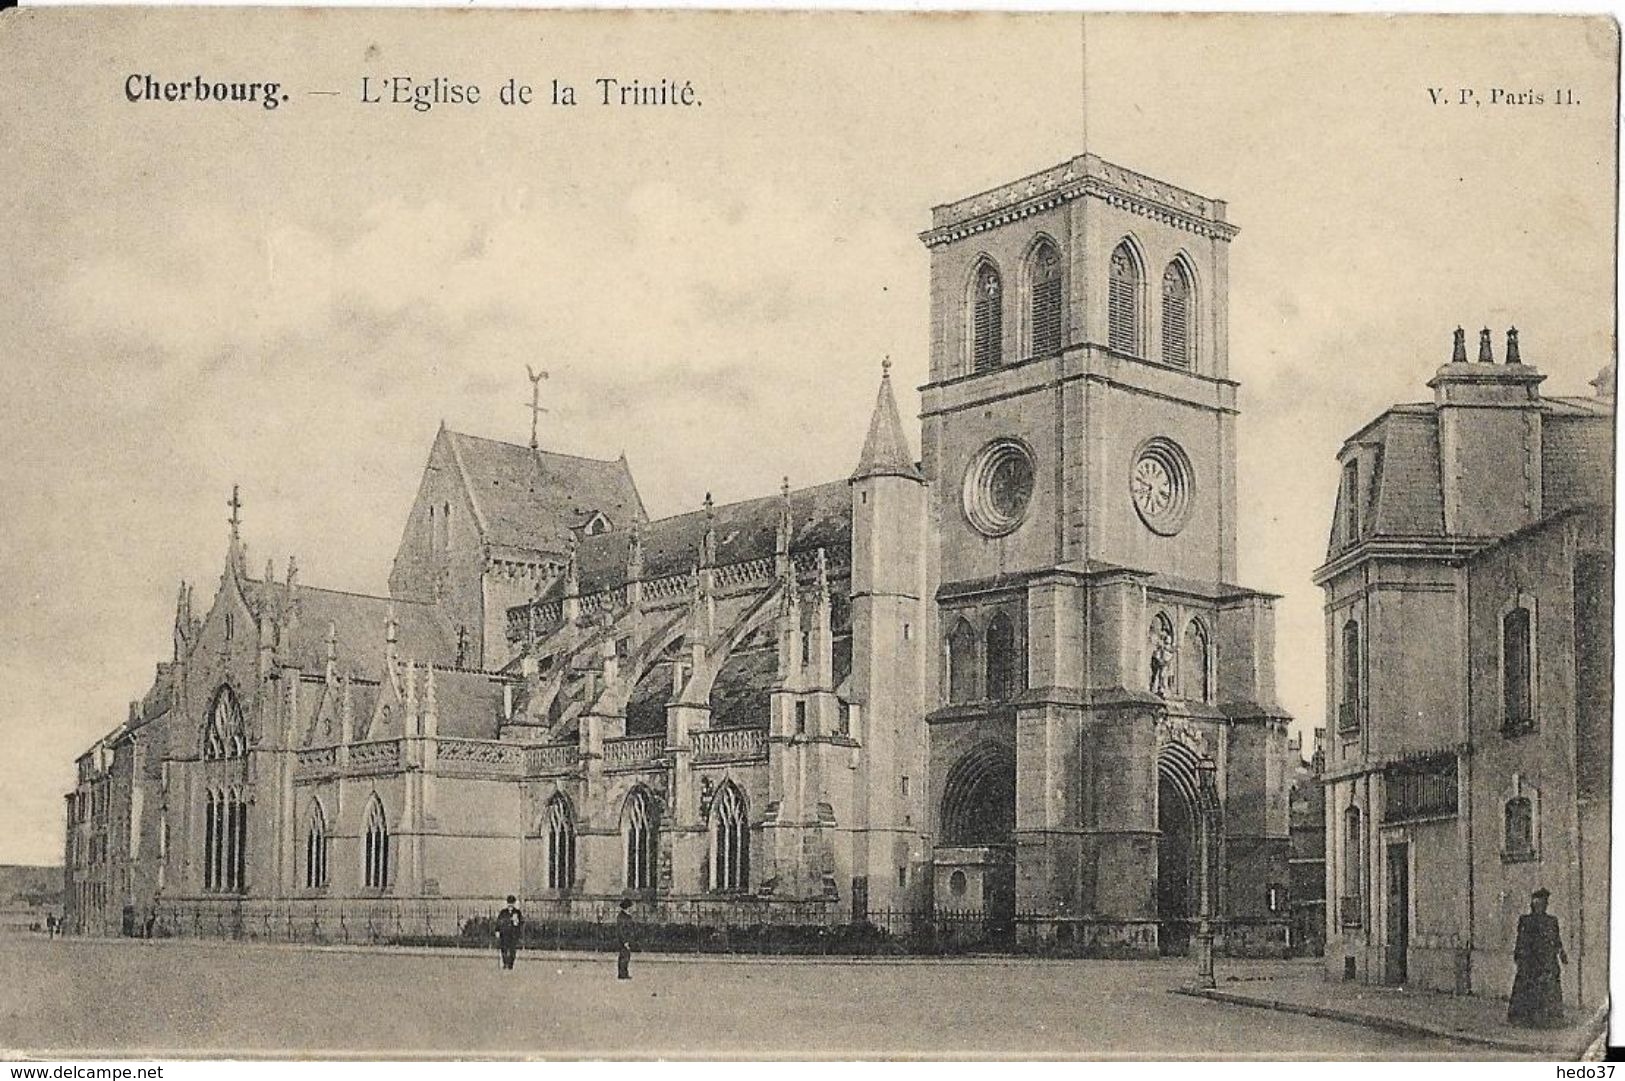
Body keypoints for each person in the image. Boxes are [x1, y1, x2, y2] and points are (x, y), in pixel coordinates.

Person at [1508, 887, 1567, 1027]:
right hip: (1530, 960)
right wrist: (1518, 956)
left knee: (1549, 988)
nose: (1541, 906)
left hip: (1547, 960)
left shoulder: (1552, 921)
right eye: (1538, 904)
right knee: (1527, 988)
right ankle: (1524, 1019)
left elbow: (1556, 939)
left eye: (1544, 904)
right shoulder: (1526, 920)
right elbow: (1521, 939)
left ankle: (1550, 1019)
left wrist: (1562, 952)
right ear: (1533, 905)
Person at [495, 895, 523, 971]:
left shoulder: (517, 912)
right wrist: (497, 930)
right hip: (504, 933)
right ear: (507, 904)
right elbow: (499, 922)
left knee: (512, 949)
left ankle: (511, 964)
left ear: (514, 904)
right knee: (504, 949)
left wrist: (516, 923)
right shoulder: (503, 912)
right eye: (509, 903)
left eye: (512, 903)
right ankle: (505, 963)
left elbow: (521, 923)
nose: (510, 905)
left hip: (513, 934)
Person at [616, 899, 635, 981]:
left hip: (628, 939)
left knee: (627, 956)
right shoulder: (622, 917)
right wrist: (624, 941)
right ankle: (622, 973)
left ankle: (624, 972)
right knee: (624, 956)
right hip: (624, 940)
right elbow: (621, 930)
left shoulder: (627, 916)